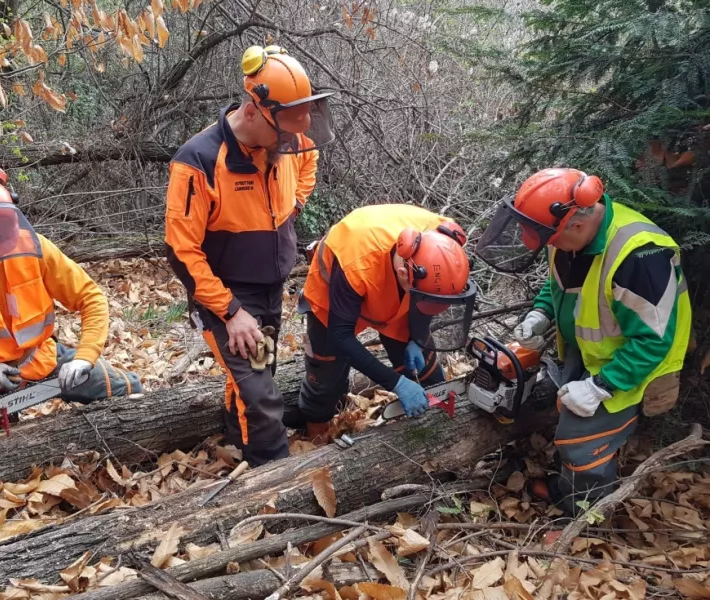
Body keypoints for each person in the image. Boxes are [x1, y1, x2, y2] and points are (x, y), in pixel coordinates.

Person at [475, 167, 692, 513]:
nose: (549, 246)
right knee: (562, 409)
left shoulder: (638, 256)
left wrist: (599, 387)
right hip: (592, 350)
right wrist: (541, 313)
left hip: (635, 366)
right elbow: (559, 282)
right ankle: (571, 488)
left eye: (551, 239)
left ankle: (586, 518)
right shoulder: (565, 235)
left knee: (579, 441)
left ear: (577, 225)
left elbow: (653, 341)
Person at [164, 45, 335, 466]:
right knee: (260, 394)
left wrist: (291, 206)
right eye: (283, 134)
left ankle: (235, 437)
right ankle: (271, 477)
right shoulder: (200, 160)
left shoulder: (289, 142)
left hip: (272, 283)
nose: (291, 143)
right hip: (226, 292)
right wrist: (230, 311)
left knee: (260, 375)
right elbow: (180, 249)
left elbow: (308, 159)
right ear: (255, 112)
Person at [0, 161, 142, 404]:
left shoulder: (35, 248)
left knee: (126, 389)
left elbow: (90, 297)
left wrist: (85, 356)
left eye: (1, 227)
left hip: (41, 358)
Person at [298, 204, 477, 441]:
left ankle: (442, 433)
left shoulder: (443, 242)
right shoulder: (358, 261)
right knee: (326, 373)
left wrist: (417, 337)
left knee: (425, 364)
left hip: (402, 289)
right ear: (404, 272)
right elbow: (340, 336)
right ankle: (314, 440)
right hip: (334, 291)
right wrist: (396, 383)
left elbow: (432, 300)